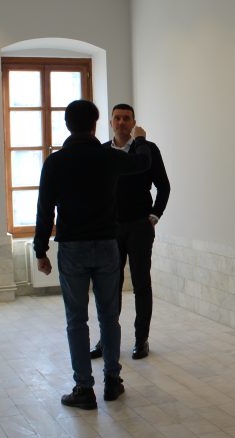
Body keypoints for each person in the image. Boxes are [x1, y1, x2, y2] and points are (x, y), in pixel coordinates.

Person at [34, 99, 152, 410]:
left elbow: (44, 210)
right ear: (96, 124)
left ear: (67, 125)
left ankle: (84, 389)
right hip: (106, 246)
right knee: (109, 316)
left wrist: (40, 250)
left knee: (76, 320)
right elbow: (142, 163)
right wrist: (140, 139)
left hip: (72, 248)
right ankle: (112, 381)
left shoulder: (55, 162)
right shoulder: (108, 157)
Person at [91, 103, 170, 361]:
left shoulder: (147, 150)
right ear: (111, 123)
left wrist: (154, 215)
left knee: (141, 284)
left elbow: (164, 186)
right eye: (117, 118)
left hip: (139, 227)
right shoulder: (102, 152)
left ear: (134, 123)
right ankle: (106, 339)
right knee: (109, 287)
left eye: (127, 118)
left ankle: (140, 340)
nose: (122, 122)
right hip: (111, 229)